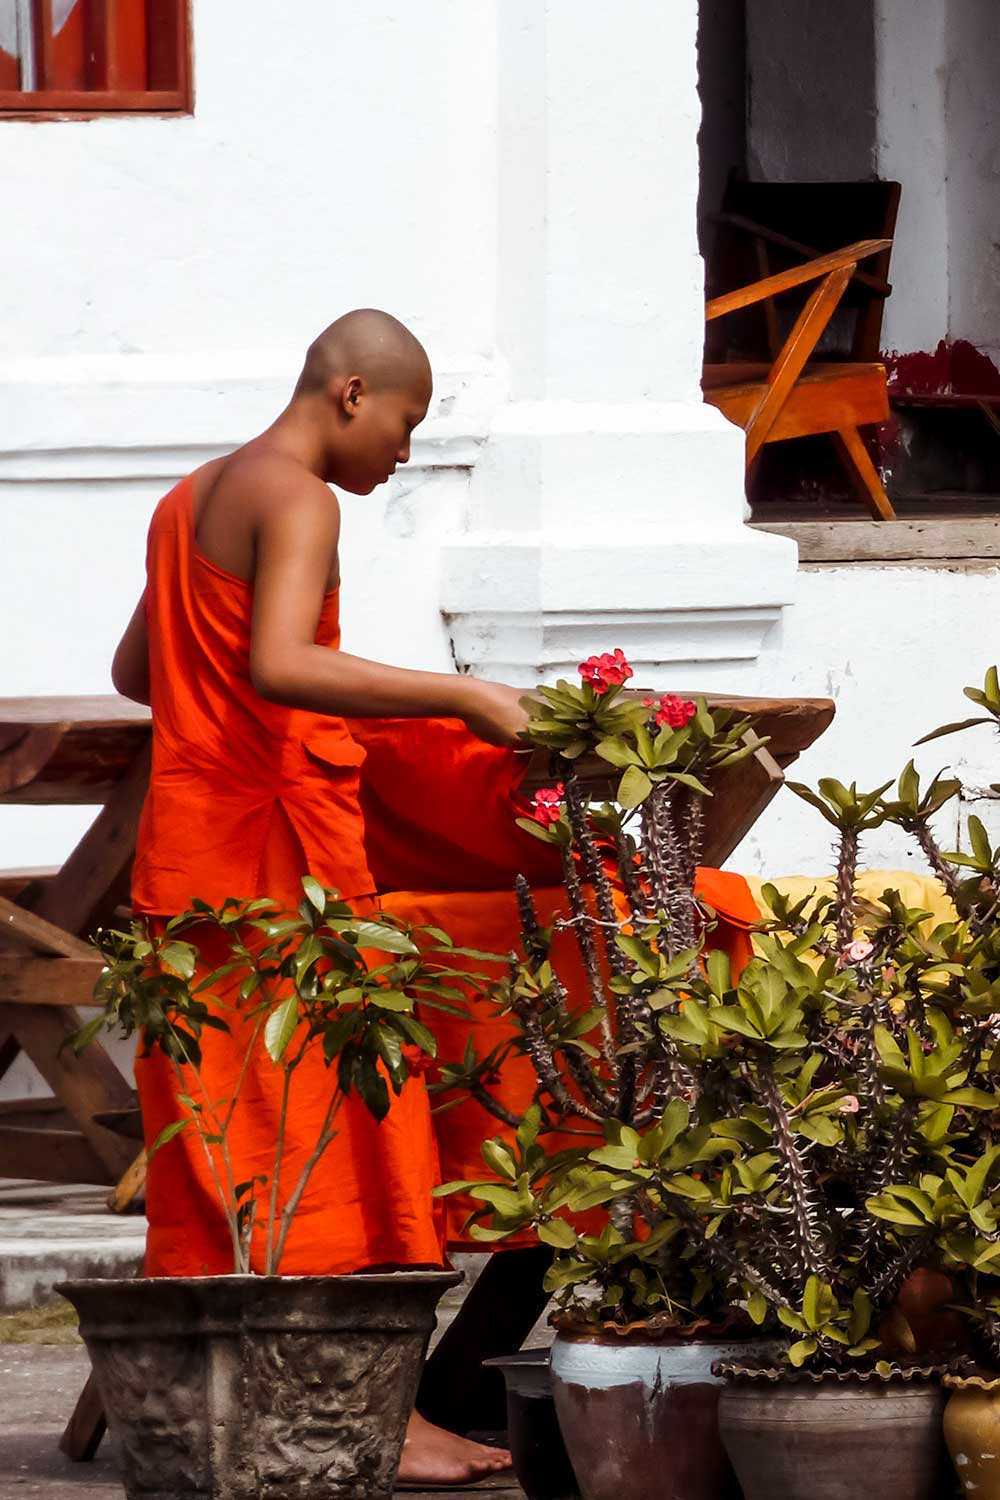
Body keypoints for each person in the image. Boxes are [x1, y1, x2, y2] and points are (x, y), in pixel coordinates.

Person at [111, 308, 526, 1488]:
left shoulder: (191, 494)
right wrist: (463, 698)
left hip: (193, 852)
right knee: (324, 1131)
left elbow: (139, 671)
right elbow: (281, 665)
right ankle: (368, 1420)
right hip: (271, 856)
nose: (405, 448)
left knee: (233, 1134)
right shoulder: (299, 498)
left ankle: (282, 1411)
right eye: (406, 419)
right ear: (351, 393)